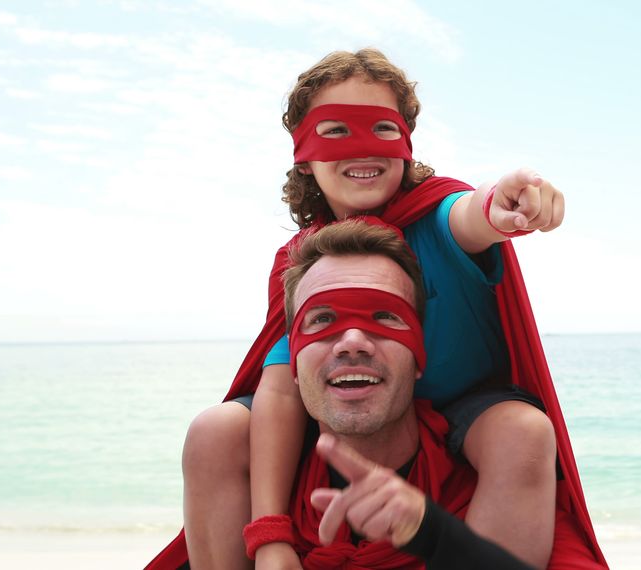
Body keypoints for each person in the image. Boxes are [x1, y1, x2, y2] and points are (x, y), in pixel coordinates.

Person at [147, 49, 605, 569]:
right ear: (303, 152)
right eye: (335, 130)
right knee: (214, 431)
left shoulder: (436, 217)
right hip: (347, 402)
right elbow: (280, 380)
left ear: (407, 144)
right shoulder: (299, 259)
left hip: (462, 405)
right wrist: (271, 536)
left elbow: (471, 216)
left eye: (381, 129)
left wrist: (500, 207)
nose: (361, 147)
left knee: (520, 431)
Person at [240, 218, 598, 568]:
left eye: (383, 316)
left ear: (418, 357)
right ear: (293, 365)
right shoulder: (252, 501)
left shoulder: (491, 493)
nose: (352, 343)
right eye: (321, 319)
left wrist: (431, 533)